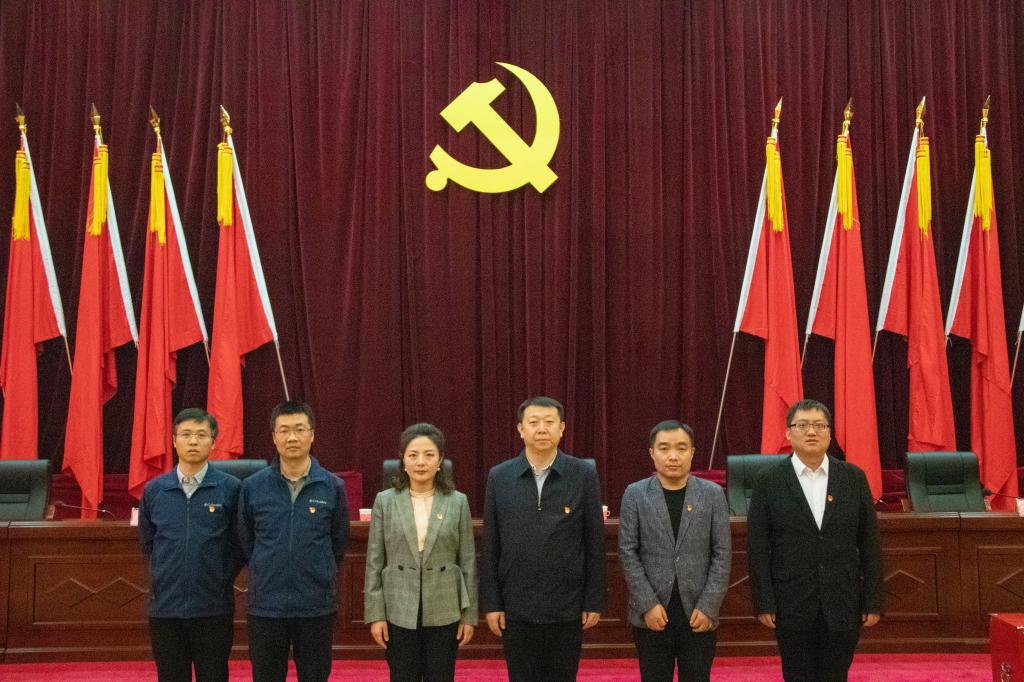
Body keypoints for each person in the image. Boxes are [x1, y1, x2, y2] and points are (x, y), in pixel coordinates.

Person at [747, 399, 883, 682]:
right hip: (791, 602)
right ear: (788, 432)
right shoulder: (768, 481)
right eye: (803, 425)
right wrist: (764, 601)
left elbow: (869, 543)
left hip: (843, 600)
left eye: (820, 425)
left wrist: (872, 599)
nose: (812, 432)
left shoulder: (853, 478)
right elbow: (758, 548)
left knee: (836, 675)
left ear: (830, 433)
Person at [480, 396, 605, 682]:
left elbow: (594, 542)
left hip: (567, 605)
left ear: (562, 428)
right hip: (516, 605)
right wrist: (492, 603)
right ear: (520, 429)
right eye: (533, 422)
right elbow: (490, 546)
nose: (541, 429)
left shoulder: (582, 474)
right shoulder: (500, 476)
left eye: (549, 422)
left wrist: (593, 600)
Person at [238, 400, 350, 682]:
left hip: (315, 604)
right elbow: (245, 540)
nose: (292, 437)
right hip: (267, 605)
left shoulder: (332, 486)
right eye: (284, 430)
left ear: (312, 435)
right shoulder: (253, 487)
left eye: (299, 429)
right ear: (274, 437)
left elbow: (338, 542)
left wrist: (318, 569)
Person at [364, 422, 477, 681]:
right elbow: (374, 562)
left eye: (429, 455)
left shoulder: (458, 501)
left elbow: (468, 562)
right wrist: (376, 615)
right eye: (413, 455)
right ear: (403, 460)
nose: (421, 462)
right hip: (399, 607)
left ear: (440, 460)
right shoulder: (385, 501)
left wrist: (469, 616)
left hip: (445, 607)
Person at [619, 420, 731, 682]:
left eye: (681, 448)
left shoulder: (712, 494)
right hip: (652, 612)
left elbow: (722, 554)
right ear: (652, 453)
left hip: (698, 612)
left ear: (692, 452)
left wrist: (708, 606)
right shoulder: (635, 494)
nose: (673, 456)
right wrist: (647, 604)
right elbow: (627, 552)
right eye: (664, 448)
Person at [138, 408, 243, 682]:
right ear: (174, 441)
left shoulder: (231, 489)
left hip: (213, 608)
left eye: (201, 435)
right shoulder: (155, 490)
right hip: (165, 608)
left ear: (213, 442)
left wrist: (219, 577)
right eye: (186, 435)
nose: (193, 441)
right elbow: (149, 543)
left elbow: (239, 544)